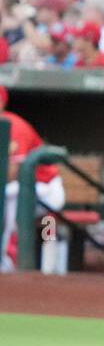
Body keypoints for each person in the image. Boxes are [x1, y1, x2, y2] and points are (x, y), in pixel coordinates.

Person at [1, 89, 65, 273]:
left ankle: (9, 262)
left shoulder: (14, 126)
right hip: (24, 188)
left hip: (45, 189)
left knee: (10, 197)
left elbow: (11, 173)